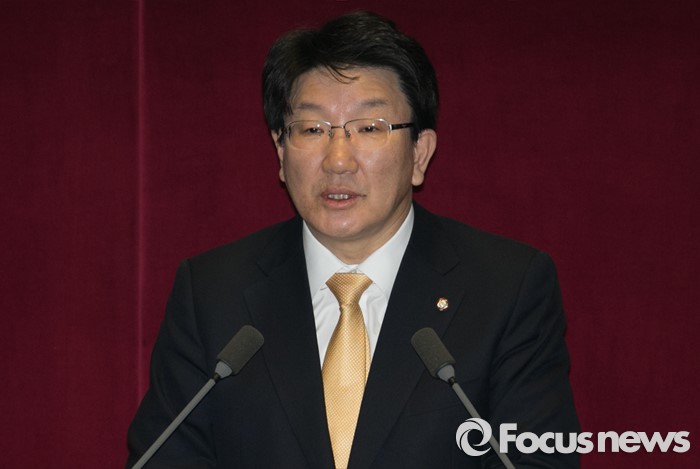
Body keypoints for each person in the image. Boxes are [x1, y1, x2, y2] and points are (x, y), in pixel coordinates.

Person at [126, 11, 579, 469]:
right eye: (312, 130)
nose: (338, 160)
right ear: (280, 152)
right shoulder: (211, 294)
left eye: (369, 128)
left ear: (419, 153)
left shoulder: (505, 290)